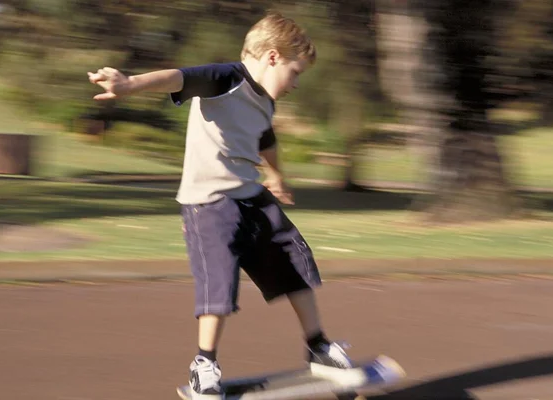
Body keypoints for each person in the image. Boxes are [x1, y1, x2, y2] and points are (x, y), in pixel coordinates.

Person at [88, 11, 359, 400]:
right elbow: (177, 76)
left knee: (294, 259)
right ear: (272, 57)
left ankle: (318, 346)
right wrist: (129, 84)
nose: (296, 83)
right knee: (219, 281)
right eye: (295, 72)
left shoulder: (265, 103)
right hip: (209, 203)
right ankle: (205, 363)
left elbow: (265, 141)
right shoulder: (225, 79)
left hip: (251, 196)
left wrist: (277, 176)